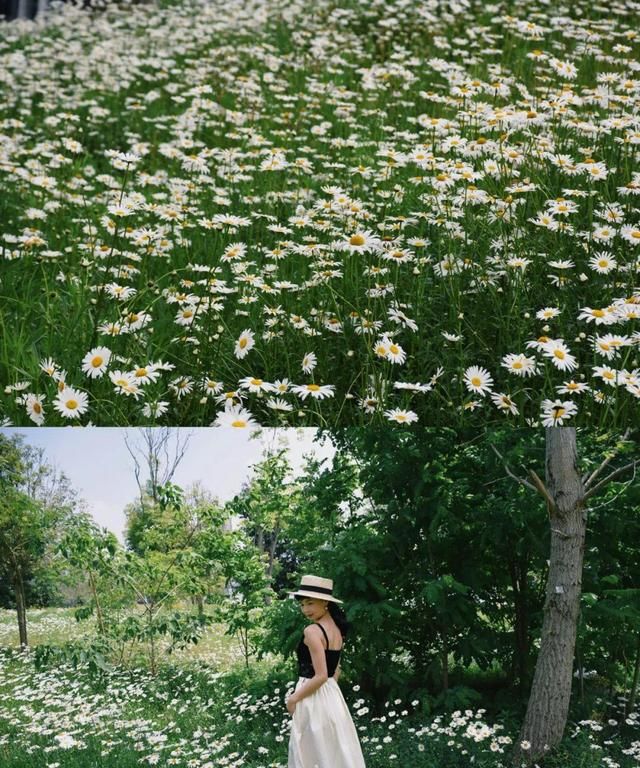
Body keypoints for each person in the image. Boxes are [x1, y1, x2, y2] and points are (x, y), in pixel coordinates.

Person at [286, 574, 366, 768]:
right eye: (302, 604)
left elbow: (320, 675)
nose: (305, 609)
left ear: (325, 603)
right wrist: (328, 698)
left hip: (311, 692)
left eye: (310, 603)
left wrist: (294, 698)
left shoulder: (312, 631)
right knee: (334, 746)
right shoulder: (338, 630)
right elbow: (334, 670)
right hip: (331, 694)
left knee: (312, 750)